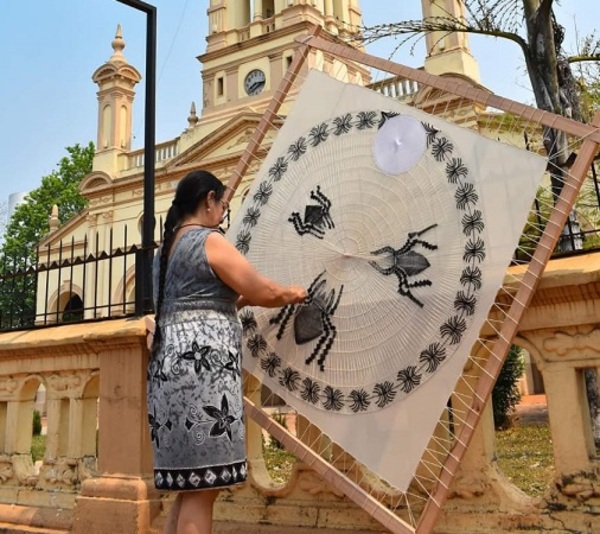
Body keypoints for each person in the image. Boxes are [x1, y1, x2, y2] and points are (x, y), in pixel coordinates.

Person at [147, 170, 307, 534]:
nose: (223, 212)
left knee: (189, 484)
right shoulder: (208, 240)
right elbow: (264, 290)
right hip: (203, 373)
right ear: (209, 201)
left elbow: (206, 303)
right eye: (223, 204)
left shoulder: (165, 251)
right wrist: (290, 294)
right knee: (203, 487)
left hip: (167, 371)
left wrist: (244, 299)